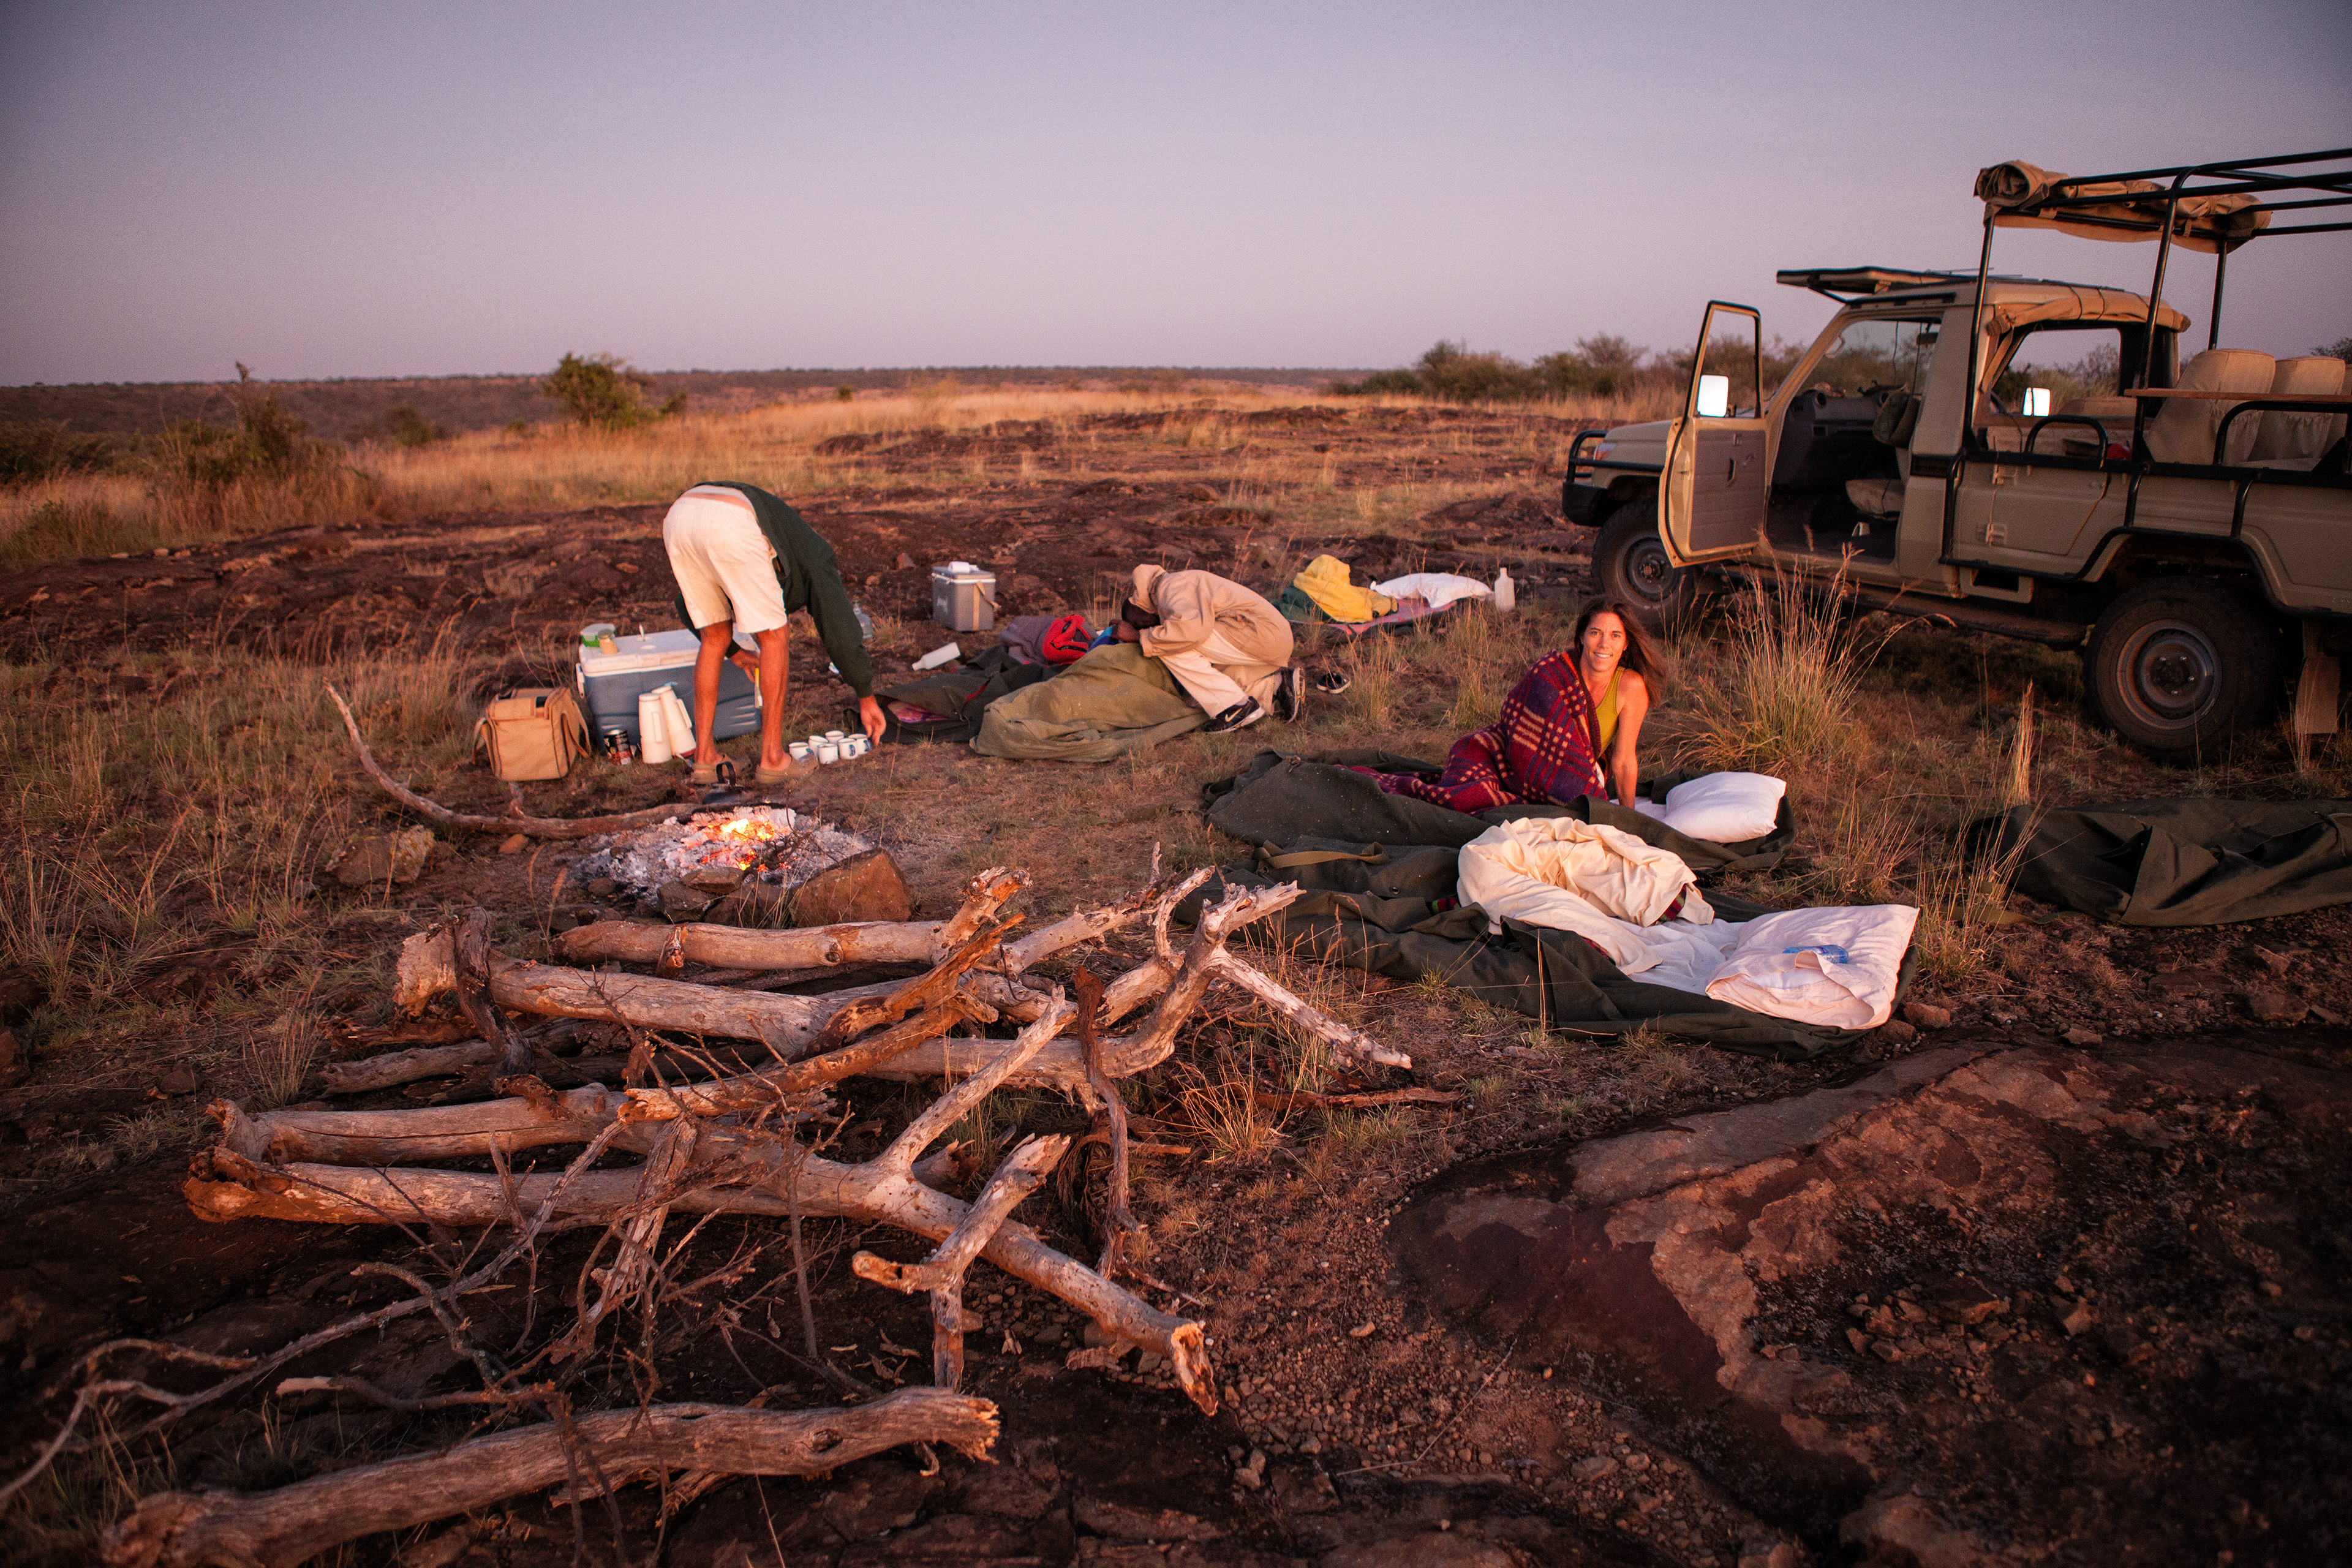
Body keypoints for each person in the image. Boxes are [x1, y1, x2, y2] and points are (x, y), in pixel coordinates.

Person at [660, 481, 883, 785]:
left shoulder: (788, 536)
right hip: (731, 522)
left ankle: (705, 759)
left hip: (680, 514)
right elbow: (840, 627)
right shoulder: (818, 560)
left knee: (714, 637)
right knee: (774, 636)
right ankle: (773, 760)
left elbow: (687, 607)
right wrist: (865, 695)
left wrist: (735, 653)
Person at [1376, 597, 1664, 812]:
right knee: (1462, 798)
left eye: (1615, 636)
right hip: (1509, 756)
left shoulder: (1631, 687)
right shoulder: (1554, 672)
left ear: (1626, 644)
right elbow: (1518, 722)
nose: (1604, 645)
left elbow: (1624, 760)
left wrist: (1628, 819)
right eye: (1595, 633)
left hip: (1569, 775)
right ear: (1581, 637)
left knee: (1547, 812)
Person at [1114, 564, 1303, 731]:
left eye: (1141, 623)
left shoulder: (1171, 587)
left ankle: (1236, 707)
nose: (1146, 627)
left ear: (1143, 609)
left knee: (1169, 644)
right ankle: (1278, 685)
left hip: (1261, 634)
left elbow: (1190, 632)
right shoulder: (1175, 584)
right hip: (1268, 636)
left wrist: (1140, 636)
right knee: (1212, 680)